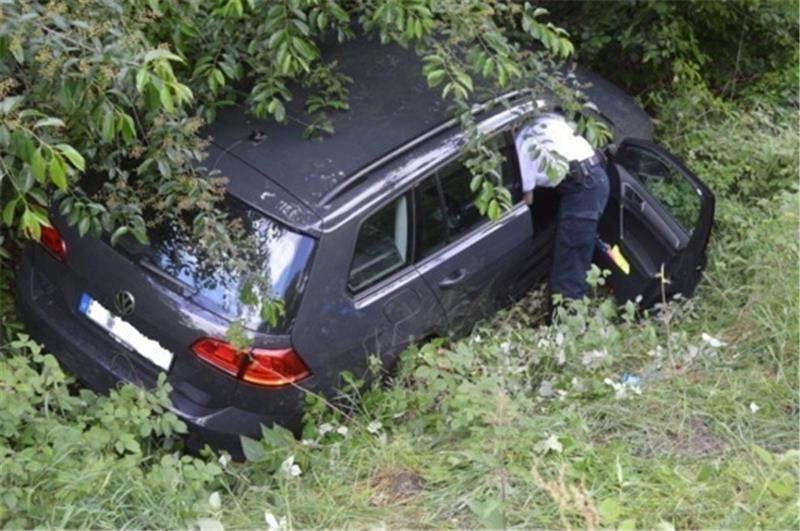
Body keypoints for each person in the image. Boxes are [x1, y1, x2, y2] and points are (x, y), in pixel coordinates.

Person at [514, 112, 610, 312]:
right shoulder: (546, 119)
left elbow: (528, 199)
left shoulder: (522, 143)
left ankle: (566, 327)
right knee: (576, 249)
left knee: (570, 268)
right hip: (596, 176)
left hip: (583, 188)